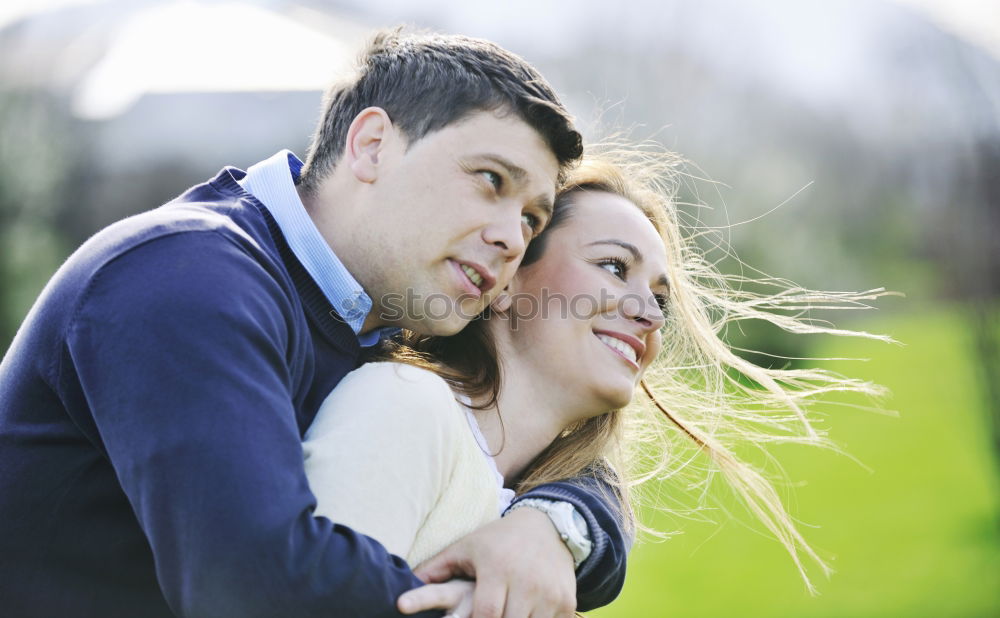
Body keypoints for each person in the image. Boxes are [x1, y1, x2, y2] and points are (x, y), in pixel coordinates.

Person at [0, 29, 629, 617]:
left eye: (532, 220)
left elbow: (566, 452)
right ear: (372, 145)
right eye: (490, 180)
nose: (508, 238)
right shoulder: (186, 278)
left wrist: (553, 526)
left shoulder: (383, 309)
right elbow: (255, 583)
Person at [301, 146, 890, 615]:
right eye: (614, 267)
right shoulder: (405, 407)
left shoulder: (539, 513)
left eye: (660, 297)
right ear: (506, 280)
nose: (651, 314)